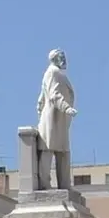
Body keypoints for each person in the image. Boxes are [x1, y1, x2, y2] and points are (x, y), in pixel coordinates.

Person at [36, 48, 77, 190]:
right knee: (48, 148)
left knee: (63, 152)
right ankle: (45, 183)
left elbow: (41, 96)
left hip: (60, 119)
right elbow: (53, 94)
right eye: (61, 57)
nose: (64, 60)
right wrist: (66, 108)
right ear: (54, 59)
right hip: (53, 117)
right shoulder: (53, 72)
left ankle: (65, 184)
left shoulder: (56, 73)